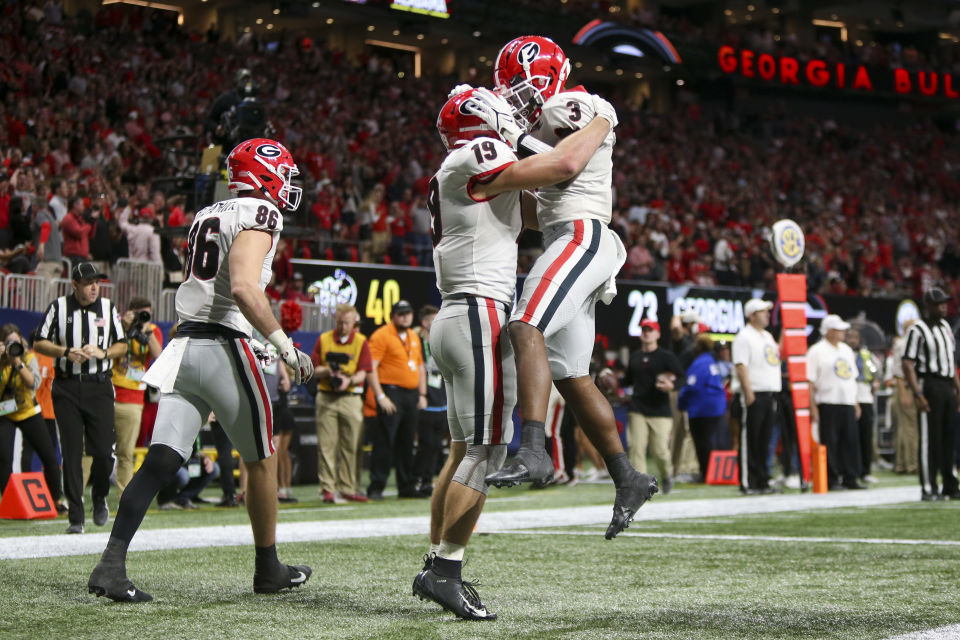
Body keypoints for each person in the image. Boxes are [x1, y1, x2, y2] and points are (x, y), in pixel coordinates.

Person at [413, 84, 621, 620]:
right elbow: (558, 168)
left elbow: (537, 207)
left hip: (456, 313)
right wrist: (594, 124)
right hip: (480, 313)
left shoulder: (460, 169)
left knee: (462, 452)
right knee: (485, 452)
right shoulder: (479, 153)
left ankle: (436, 562)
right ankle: (445, 571)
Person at [87, 138, 315, 602]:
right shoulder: (262, 214)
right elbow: (247, 289)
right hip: (222, 345)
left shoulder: (206, 214)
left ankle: (110, 565)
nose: (288, 185)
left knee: (161, 461)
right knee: (263, 458)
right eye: (284, 173)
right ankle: (268, 568)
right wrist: (285, 346)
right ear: (264, 175)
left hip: (183, 345)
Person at [477, 36, 658, 540]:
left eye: (519, 84)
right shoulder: (541, 118)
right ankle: (628, 477)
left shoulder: (567, 104)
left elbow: (565, 163)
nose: (516, 96)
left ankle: (534, 450)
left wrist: (509, 140)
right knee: (573, 376)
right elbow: (543, 206)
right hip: (570, 233)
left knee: (524, 323)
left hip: (583, 236)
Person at [34, 262, 127, 533]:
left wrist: (104, 353)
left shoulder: (109, 308)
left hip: (99, 386)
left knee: (103, 452)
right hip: (67, 387)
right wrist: (64, 352)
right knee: (72, 453)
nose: (94, 287)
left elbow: (122, 344)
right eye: (88, 283)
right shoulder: (58, 307)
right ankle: (76, 517)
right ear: (74, 285)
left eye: (96, 282)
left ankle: (99, 496)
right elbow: (39, 341)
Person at [310, 303, 371, 503]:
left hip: (351, 396)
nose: (343, 326)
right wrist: (329, 371)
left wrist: (349, 380)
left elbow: (364, 371)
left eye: (346, 323)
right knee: (327, 445)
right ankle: (328, 487)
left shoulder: (361, 341)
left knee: (351, 444)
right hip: (326, 395)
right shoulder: (324, 339)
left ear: (354, 322)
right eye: (339, 322)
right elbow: (313, 369)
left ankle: (348, 487)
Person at [902, 287, 960, 501]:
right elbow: (908, 363)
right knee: (930, 439)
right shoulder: (917, 330)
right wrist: (917, 393)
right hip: (930, 384)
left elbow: (951, 362)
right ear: (927, 306)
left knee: (948, 438)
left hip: (947, 386)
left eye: (945, 302)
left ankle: (950, 485)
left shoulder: (946, 326)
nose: (944, 306)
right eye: (938, 303)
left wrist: (958, 388)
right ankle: (928, 487)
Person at [366, 300, 426, 501]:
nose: (405, 317)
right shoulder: (381, 335)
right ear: (393, 316)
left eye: (408, 313)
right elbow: (371, 367)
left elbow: (419, 366)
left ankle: (406, 485)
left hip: (410, 394)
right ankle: (376, 486)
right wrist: (381, 395)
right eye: (401, 314)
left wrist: (422, 394)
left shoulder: (414, 337)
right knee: (384, 441)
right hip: (391, 392)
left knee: (407, 442)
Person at [0, 324, 63, 511]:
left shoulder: (28, 357)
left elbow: (33, 384)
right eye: (9, 342)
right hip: (5, 413)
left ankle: (56, 500)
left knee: (49, 457)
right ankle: (8, 500)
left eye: (16, 341)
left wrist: (17, 362)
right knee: (4, 459)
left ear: (21, 340)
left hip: (29, 412)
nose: (13, 345)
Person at [623, 319, 683, 494]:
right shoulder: (634, 357)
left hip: (660, 410)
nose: (646, 333)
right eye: (644, 330)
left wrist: (672, 386)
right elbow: (626, 380)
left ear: (657, 334)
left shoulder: (666, 357)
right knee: (636, 448)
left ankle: (667, 475)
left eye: (650, 330)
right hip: (638, 408)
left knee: (660, 451)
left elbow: (682, 378)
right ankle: (640, 487)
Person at [112, 297, 163, 497]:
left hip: (134, 397)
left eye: (146, 314)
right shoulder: (118, 325)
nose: (143, 317)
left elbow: (158, 354)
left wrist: (146, 330)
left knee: (126, 452)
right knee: (97, 449)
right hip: (111, 390)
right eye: (140, 313)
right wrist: (125, 326)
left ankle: (123, 495)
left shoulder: (152, 330)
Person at [807, 315, 865, 490]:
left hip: (846, 401)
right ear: (830, 331)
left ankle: (851, 477)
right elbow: (810, 381)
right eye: (839, 329)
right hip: (827, 401)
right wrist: (812, 406)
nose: (843, 332)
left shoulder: (846, 350)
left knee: (850, 441)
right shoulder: (816, 351)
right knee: (829, 442)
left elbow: (851, 378)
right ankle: (831, 478)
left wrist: (855, 402)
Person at [732, 298, 781, 495]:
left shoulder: (767, 336)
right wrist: (748, 391)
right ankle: (748, 482)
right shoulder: (744, 337)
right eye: (763, 311)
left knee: (764, 440)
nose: (768, 314)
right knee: (750, 439)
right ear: (752, 316)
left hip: (769, 393)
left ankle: (762, 480)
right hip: (754, 394)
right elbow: (741, 365)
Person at [677, 334, 728, 482]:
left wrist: (681, 403)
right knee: (711, 442)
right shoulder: (712, 361)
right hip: (716, 407)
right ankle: (712, 473)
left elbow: (692, 386)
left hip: (702, 408)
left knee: (702, 443)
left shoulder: (699, 363)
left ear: (699, 346)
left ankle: (706, 474)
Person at [413, 305, 445, 497]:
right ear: (425, 323)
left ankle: (428, 480)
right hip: (424, 401)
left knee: (436, 446)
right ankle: (416, 477)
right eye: (434, 319)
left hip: (441, 400)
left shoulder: (441, 342)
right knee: (425, 444)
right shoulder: (416, 342)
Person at [847, 327, 880, 484]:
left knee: (866, 437)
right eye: (850, 337)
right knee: (850, 438)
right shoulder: (843, 353)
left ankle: (865, 471)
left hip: (865, 397)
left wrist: (875, 382)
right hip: (848, 399)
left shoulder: (867, 355)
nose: (853, 340)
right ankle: (850, 470)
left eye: (855, 337)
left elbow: (875, 372)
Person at [889, 318, 919, 474]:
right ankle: (913, 464)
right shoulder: (905, 344)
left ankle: (902, 464)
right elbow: (899, 373)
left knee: (903, 428)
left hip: (904, 388)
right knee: (911, 428)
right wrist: (904, 395)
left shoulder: (901, 343)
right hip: (906, 388)